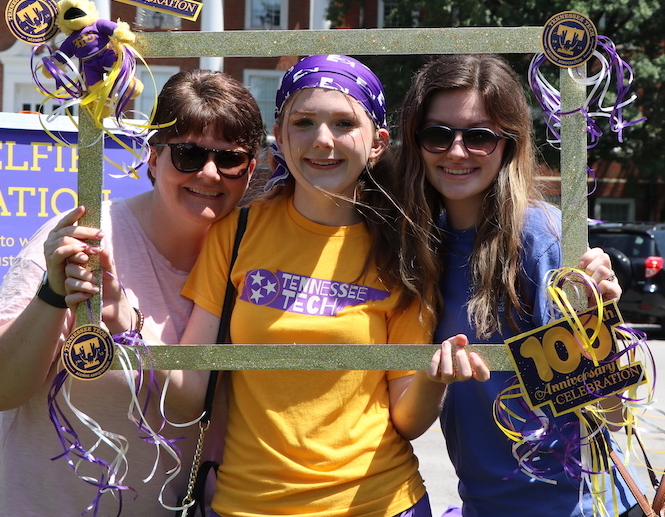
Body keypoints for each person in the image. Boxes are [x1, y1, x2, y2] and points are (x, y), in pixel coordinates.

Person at [69, 54, 490, 517]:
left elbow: (407, 420)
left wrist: (433, 379)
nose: (322, 140)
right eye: (304, 122)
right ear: (282, 138)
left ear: (378, 143)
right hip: (247, 505)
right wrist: (127, 322)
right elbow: (190, 391)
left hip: (379, 503)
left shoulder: (403, 248)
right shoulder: (237, 232)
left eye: (344, 123)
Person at [0, 68, 264, 516]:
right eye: (187, 154)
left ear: (251, 169)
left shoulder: (251, 257)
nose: (209, 173)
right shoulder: (91, 241)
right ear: (153, 159)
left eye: (230, 160)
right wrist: (52, 294)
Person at [392, 53, 638, 517]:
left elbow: (610, 413)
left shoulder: (539, 239)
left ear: (509, 143)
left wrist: (600, 324)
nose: (456, 151)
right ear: (416, 141)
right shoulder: (422, 244)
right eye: (437, 135)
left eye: (479, 136)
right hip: (485, 503)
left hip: (574, 508)